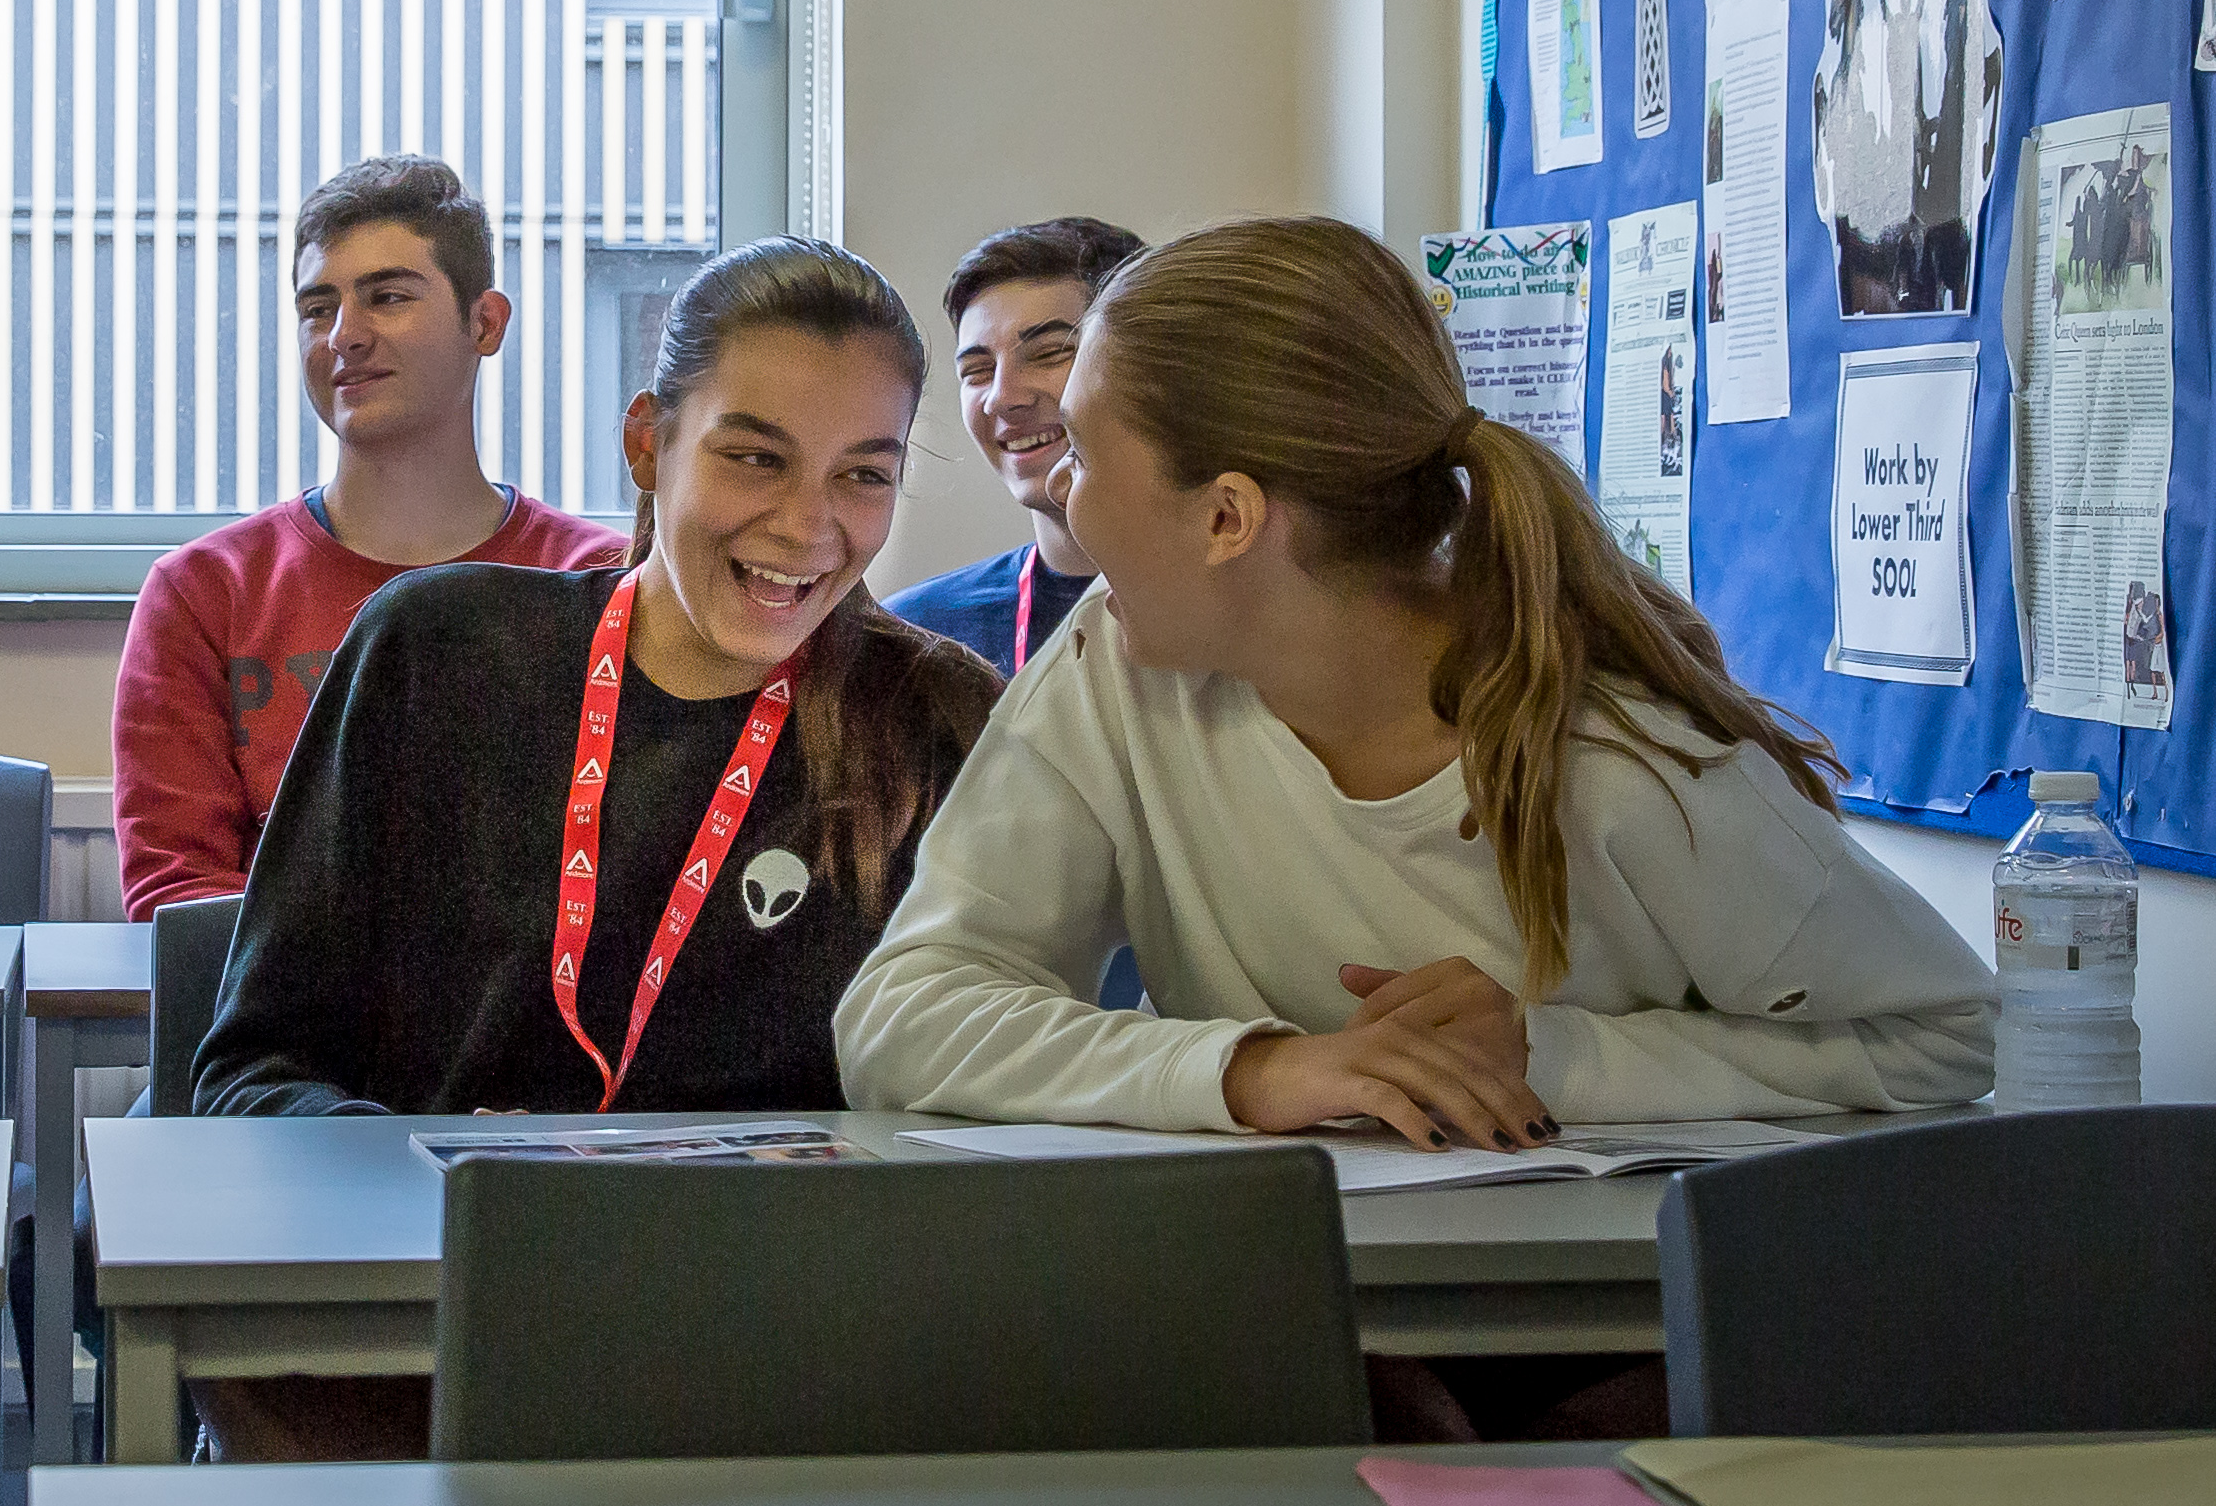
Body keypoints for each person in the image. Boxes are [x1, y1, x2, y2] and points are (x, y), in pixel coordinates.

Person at [836, 215, 1991, 1148]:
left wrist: (1550, 1056)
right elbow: (898, 1017)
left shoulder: (1615, 751)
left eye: (1084, 455)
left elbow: (1945, 1036)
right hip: (1308, 1301)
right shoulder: (1112, 673)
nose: (1058, 494)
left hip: (1604, 1321)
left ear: (1227, 518)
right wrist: (1254, 1068)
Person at [188, 239, 1003, 1457]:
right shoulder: (436, 651)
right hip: (433, 1325)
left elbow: (982, 1102)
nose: (807, 525)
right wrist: (468, 1189)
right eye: (752, 456)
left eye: (863, 476)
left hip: (771, 1357)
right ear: (645, 444)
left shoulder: (933, 720)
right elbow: (250, 1074)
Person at [110, 155, 627, 918]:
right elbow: (178, 898)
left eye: (387, 297)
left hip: (538, 1025)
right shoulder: (203, 595)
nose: (344, 336)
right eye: (318, 309)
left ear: (485, 323)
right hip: (284, 1027)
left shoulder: (601, 581)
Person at [881, 216, 1144, 680]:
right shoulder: (914, 642)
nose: (1004, 396)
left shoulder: (1251, 610)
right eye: (977, 371)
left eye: (1049, 353)